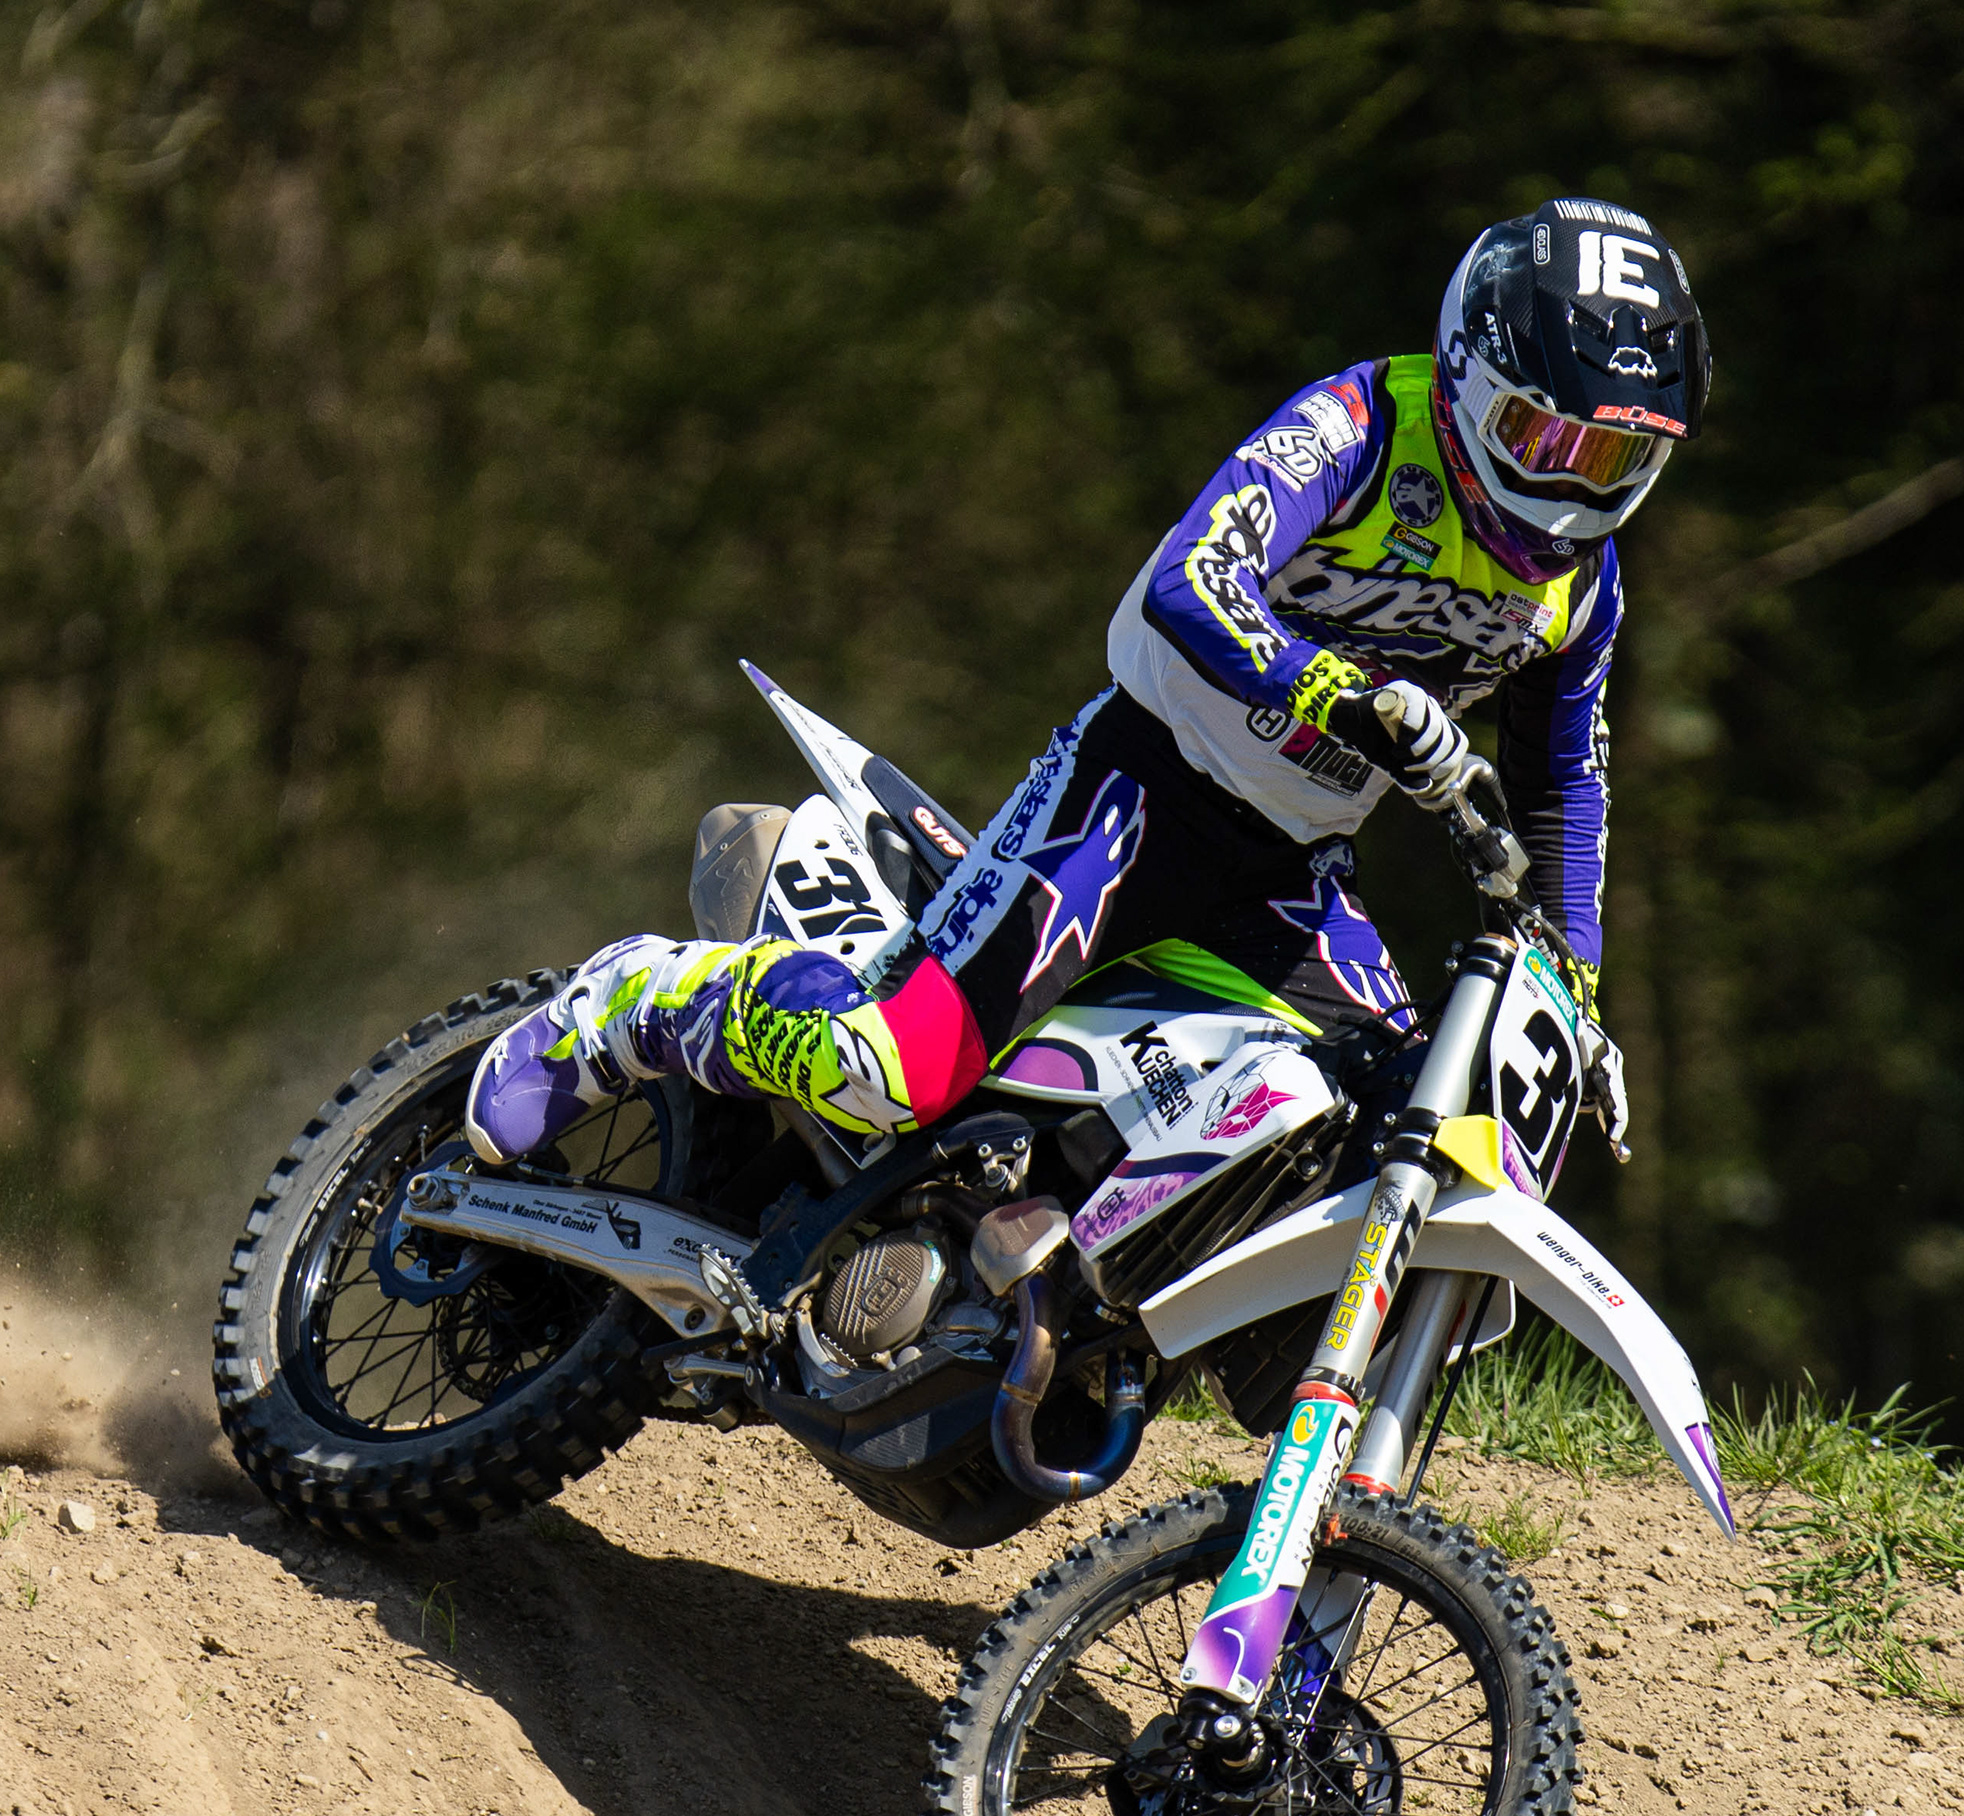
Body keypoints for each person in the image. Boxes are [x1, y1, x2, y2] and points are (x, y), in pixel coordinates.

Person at [465, 195, 1706, 1170]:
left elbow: (1564, 789)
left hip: (1293, 871)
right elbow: (1189, 577)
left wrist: (1573, 998)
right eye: (1548, 435)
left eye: (1614, 460)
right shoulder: (1363, 425)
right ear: (1475, 373)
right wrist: (1339, 693)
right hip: (1132, 792)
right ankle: (641, 1002)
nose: (1573, 484)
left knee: (1383, 1131)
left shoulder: (1583, 590)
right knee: (894, 1072)